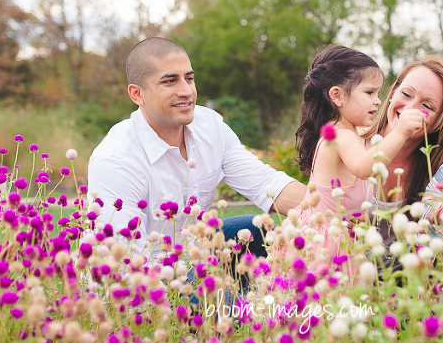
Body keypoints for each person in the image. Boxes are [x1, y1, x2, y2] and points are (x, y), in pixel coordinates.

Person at [87, 37, 306, 262]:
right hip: (149, 271)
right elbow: (125, 262)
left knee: (258, 230)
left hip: (195, 252)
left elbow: (267, 183)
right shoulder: (116, 160)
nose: (186, 91)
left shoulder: (210, 126)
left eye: (189, 78)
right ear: (137, 94)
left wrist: (328, 212)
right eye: (170, 81)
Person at [273, 45, 426, 279]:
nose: (378, 101)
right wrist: (401, 132)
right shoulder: (339, 135)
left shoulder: (349, 132)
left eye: (378, 93)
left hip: (340, 236)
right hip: (324, 244)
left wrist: (357, 215)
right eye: (369, 93)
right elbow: (364, 167)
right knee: (325, 299)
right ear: (337, 96)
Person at [363, 56, 443, 212]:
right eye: (406, 94)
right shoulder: (351, 142)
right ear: (393, 92)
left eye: (427, 106)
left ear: (441, 121)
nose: (409, 109)